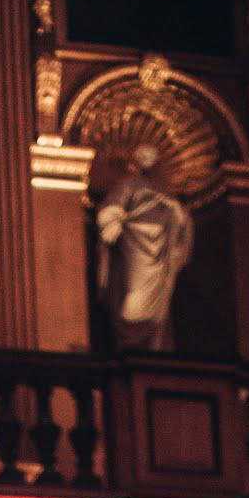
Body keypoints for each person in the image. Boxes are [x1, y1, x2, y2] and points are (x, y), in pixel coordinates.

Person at [95, 144, 194, 354]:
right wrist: (116, 225)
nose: (147, 160)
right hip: (135, 246)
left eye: (151, 157)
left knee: (159, 309)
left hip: (161, 252)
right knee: (132, 297)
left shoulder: (165, 193)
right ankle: (129, 342)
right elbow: (109, 214)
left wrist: (177, 218)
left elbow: (181, 219)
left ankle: (154, 345)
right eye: (143, 156)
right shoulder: (127, 186)